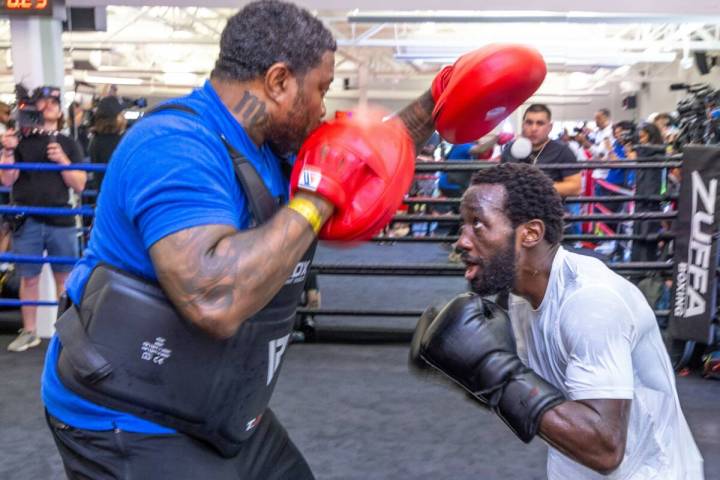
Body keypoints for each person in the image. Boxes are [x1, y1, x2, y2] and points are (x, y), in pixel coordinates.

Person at [40, 1, 546, 478]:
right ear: (279, 81)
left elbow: (363, 155)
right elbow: (213, 296)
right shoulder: (174, 147)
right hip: (128, 417)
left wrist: (437, 102)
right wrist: (317, 196)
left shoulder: (269, 143)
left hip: (218, 404)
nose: (324, 107)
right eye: (321, 88)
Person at [411, 162, 704, 479]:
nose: (461, 241)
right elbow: (538, 401)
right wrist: (476, 376)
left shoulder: (590, 303)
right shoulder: (520, 295)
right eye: (463, 225)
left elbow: (605, 449)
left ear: (531, 233)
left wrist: (494, 371)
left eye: (478, 225)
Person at [0, 85, 86, 352]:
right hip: (27, 218)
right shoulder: (19, 141)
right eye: (43, 101)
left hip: (60, 217)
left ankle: (65, 335)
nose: (48, 105)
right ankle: (30, 331)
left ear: (59, 110)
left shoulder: (69, 143)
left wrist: (63, 161)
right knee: (30, 278)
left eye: (52, 101)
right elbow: (7, 180)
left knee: (66, 278)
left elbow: (80, 184)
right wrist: (8, 151)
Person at [500, 104, 581, 198]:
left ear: (550, 127)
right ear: (523, 125)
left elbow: (575, 188)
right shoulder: (511, 148)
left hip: (548, 210)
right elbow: (501, 180)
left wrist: (537, 187)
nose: (534, 128)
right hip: (514, 209)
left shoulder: (562, 151)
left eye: (540, 123)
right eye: (529, 122)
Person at [87, 96, 127, 192]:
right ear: (116, 118)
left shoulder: (95, 140)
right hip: (118, 196)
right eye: (121, 114)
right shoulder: (121, 141)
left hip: (101, 193)